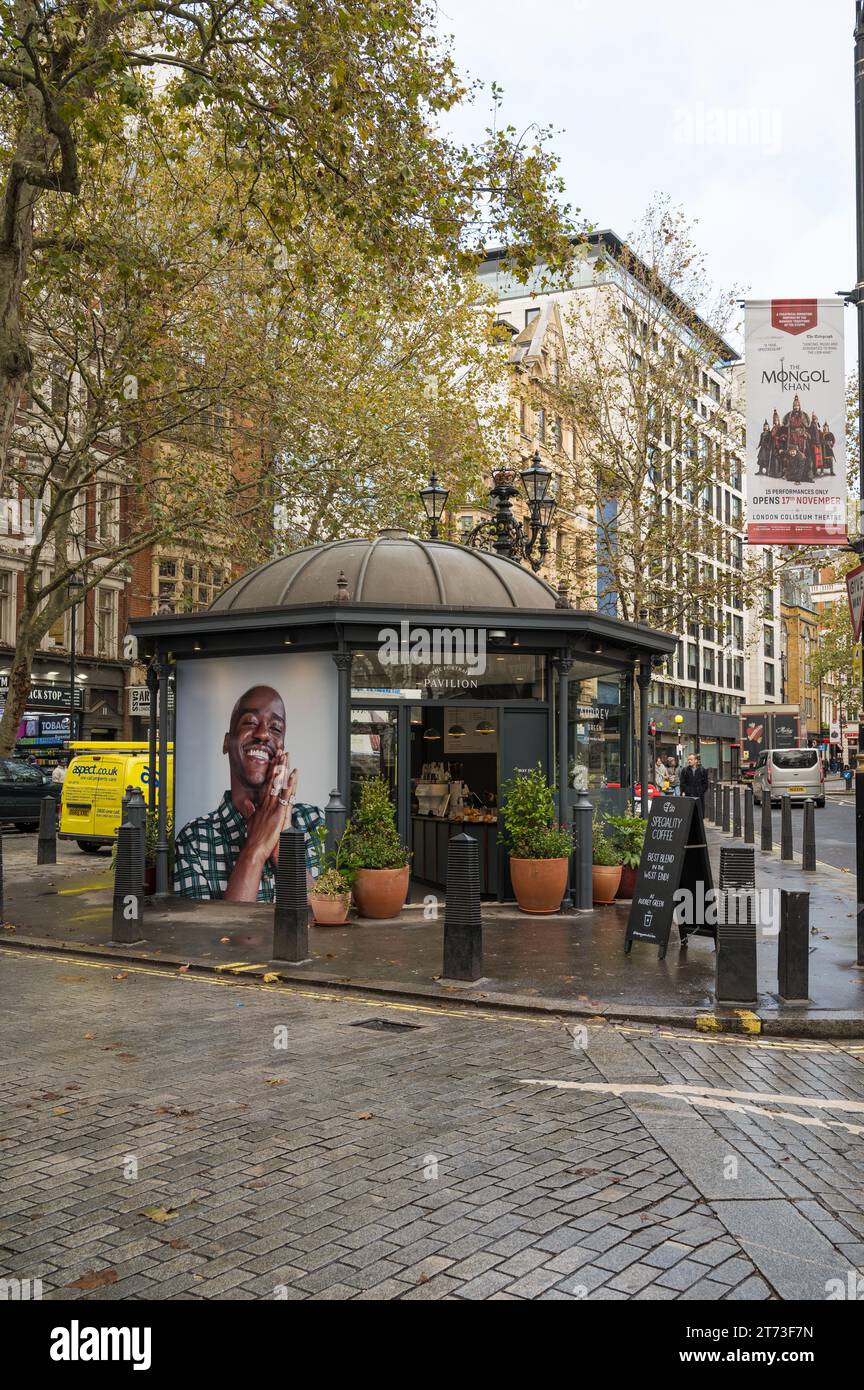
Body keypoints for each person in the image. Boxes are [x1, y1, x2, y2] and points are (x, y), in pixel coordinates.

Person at [173, 684, 323, 902]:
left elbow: (329, 922)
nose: (263, 734)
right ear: (227, 742)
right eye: (250, 722)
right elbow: (216, 934)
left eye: (276, 728)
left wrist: (285, 847)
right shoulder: (194, 840)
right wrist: (256, 849)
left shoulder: (315, 823)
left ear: (282, 747)